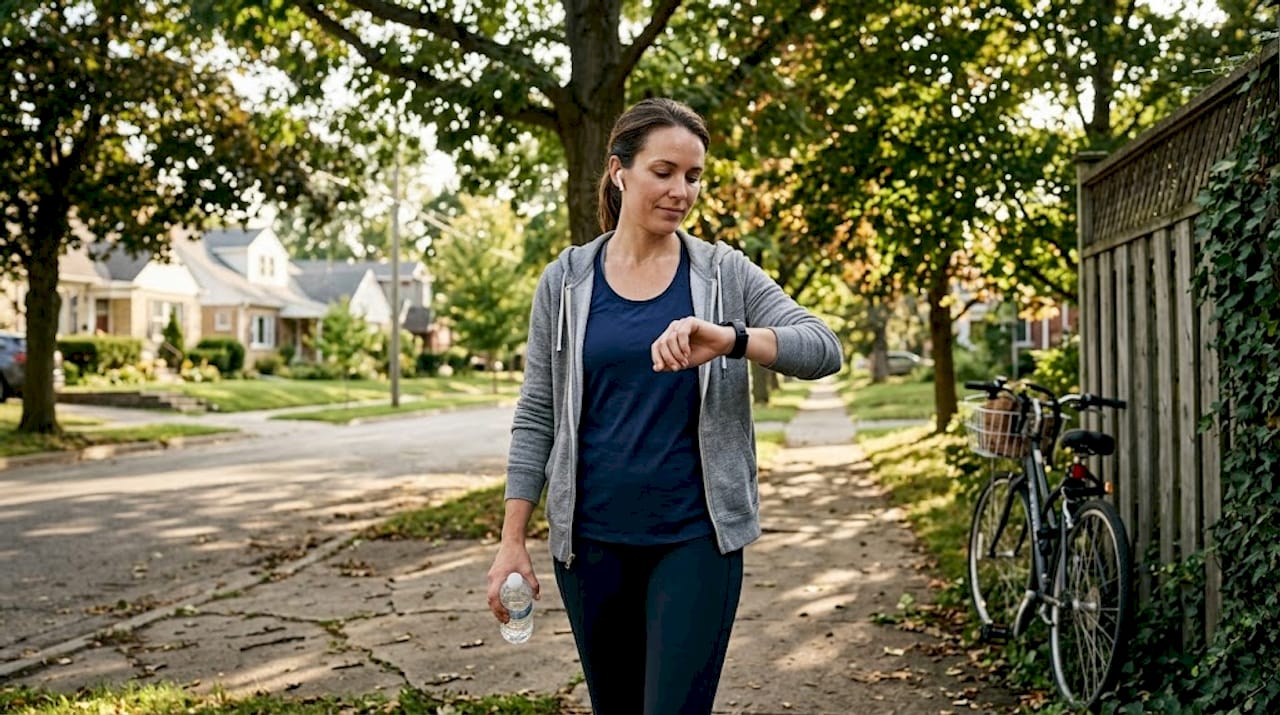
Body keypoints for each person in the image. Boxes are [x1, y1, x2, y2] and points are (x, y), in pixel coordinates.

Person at [486, 97, 843, 714]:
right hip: (590, 544)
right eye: (664, 171)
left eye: (694, 176)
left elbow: (823, 348)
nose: (682, 190)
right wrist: (512, 539)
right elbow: (537, 412)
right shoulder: (567, 281)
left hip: (695, 540)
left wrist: (730, 337)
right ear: (620, 171)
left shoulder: (723, 272)